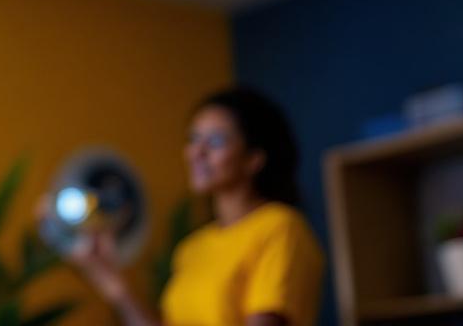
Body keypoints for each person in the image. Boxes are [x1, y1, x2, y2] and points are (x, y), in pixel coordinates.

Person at [63, 87, 325, 326]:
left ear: (253, 159)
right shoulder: (192, 249)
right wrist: (112, 283)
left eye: (216, 141)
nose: (196, 152)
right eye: (193, 139)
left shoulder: (279, 228)